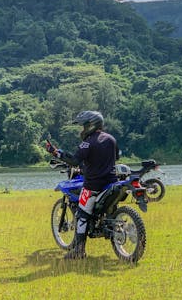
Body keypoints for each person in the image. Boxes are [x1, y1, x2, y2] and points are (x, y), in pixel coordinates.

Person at [46, 110, 119, 259]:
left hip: (93, 185)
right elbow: (115, 157)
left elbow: (74, 160)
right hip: (112, 181)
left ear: (90, 125)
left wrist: (55, 152)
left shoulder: (88, 143)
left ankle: (79, 250)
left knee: (82, 214)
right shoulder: (111, 139)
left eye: (84, 126)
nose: (83, 129)